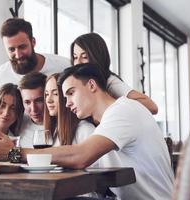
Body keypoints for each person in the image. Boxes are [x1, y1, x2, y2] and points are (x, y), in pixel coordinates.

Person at [21, 64, 173, 200]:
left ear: (92, 85)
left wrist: (15, 153)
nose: (67, 103)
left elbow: (80, 156)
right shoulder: (106, 122)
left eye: (71, 93)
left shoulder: (123, 110)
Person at [71, 32, 158, 115]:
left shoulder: (110, 82)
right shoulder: (78, 83)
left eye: (84, 57)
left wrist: (112, 104)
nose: (78, 62)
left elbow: (152, 107)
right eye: (75, 57)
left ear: (97, 57)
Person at [0, 18, 70, 95]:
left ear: (33, 42)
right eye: (11, 49)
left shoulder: (63, 66)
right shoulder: (0, 76)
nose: (18, 55)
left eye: (22, 47)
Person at [0, 72, 47, 159]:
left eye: (39, 101)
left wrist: (12, 152)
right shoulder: (21, 125)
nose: (33, 109)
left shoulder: (62, 124)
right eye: (27, 102)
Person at [44, 73, 95, 146]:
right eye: (46, 94)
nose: (48, 100)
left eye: (55, 94)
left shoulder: (85, 130)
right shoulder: (54, 131)